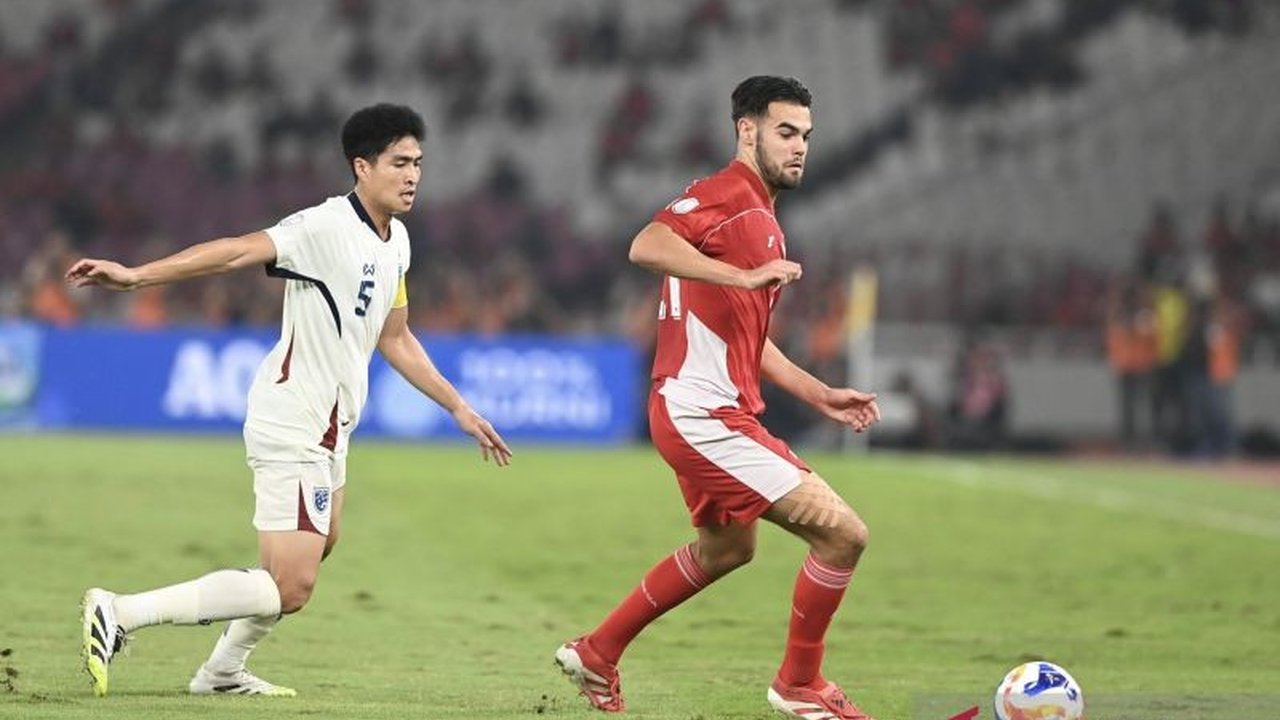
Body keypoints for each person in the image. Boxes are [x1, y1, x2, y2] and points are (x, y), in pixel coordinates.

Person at [67, 103, 512, 698]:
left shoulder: (396, 242)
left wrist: (457, 406)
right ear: (362, 167)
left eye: (419, 163)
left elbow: (396, 335)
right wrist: (136, 276)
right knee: (291, 585)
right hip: (295, 416)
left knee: (320, 545)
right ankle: (120, 611)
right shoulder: (324, 228)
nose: (413, 176)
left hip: (334, 424)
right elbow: (233, 250)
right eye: (399, 163)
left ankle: (222, 673)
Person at [554, 76, 881, 719]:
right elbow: (645, 244)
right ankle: (799, 684)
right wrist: (741, 273)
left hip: (699, 408)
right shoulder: (729, 198)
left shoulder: (758, 219)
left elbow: (745, 335)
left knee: (730, 549)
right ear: (746, 130)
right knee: (844, 535)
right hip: (704, 414)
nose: (799, 149)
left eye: (807, 137)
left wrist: (819, 394)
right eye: (786, 132)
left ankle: (598, 651)